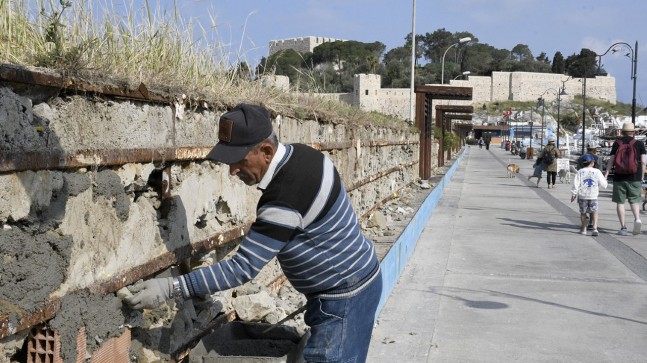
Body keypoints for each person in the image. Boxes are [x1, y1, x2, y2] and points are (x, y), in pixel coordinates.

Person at [124, 103, 383, 362]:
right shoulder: (306, 156)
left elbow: (241, 268)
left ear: (266, 151)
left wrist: (171, 287)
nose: (233, 170)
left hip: (343, 299)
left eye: (239, 161)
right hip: (358, 279)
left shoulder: (284, 198)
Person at [604, 122, 647, 236]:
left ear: (622, 132)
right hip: (635, 176)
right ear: (634, 132)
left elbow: (611, 160)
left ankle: (623, 228)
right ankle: (637, 219)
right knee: (634, 200)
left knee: (620, 202)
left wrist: (606, 173)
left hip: (619, 177)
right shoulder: (639, 144)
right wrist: (642, 175)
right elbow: (643, 162)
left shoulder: (617, 143)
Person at [571, 154, 608, 236]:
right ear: (593, 163)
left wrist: (573, 194)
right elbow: (604, 183)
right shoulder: (597, 171)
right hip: (593, 195)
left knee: (583, 212)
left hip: (582, 195)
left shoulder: (580, 172)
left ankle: (584, 229)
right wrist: (604, 184)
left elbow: (576, 184)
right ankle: (595, 228)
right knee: (594, 211)